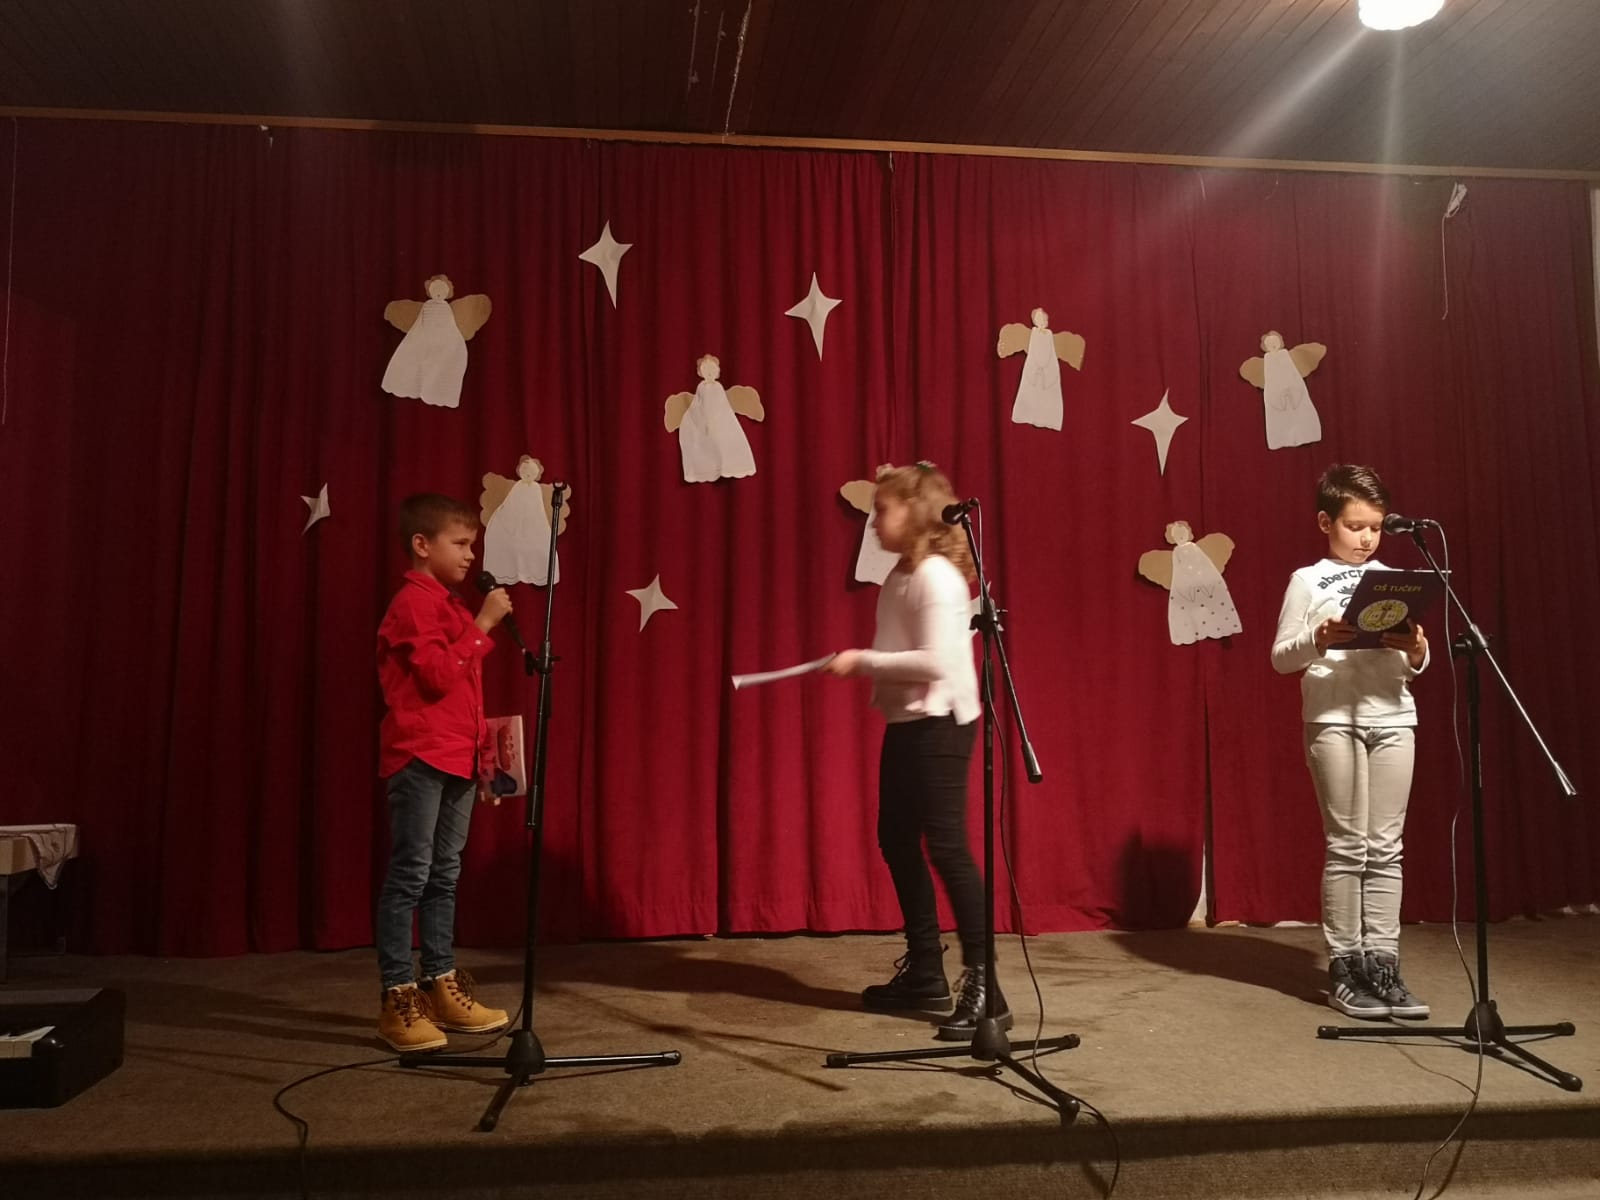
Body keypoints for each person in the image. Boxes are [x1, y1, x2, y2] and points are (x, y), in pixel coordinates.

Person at [825, 461, 1003, 1041]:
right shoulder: (900, 577)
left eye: (883, 509)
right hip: (909, 723)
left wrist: (863, 661)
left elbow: (938, 662)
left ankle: (987, 986)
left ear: (916, 511)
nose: (874, 521)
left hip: (942, 721)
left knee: (947, 846)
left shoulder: (936, 578)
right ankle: (927, 970)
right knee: (896, 839)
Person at [1271, 465, 1430, 1020]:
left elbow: (1416, 661)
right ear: (1326, 522)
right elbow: (1280, 657)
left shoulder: (1395, 579)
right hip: (1333, 717)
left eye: (1375, 528)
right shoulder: (1307, 580)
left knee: (1387, 848)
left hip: (1394, 715)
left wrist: (1416, 649)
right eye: (1354, 526)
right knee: (1347, 846)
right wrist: (1317, 639)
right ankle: (1346, 967)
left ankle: (1384, 964)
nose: (1366, 539)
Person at [374, 493, 513, 1051]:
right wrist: (484, 623)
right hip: (420, 755)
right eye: (460, 543)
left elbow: (467, 697)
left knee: (444, 875)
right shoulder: (413, 603)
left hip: (457, 756)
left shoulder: (452, 606)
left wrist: (486, 764)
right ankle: (398, 996)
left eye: (472, 544)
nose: (470, 555)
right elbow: (435, 677)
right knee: (411, 873)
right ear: (422, 544)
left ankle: (440, 982)